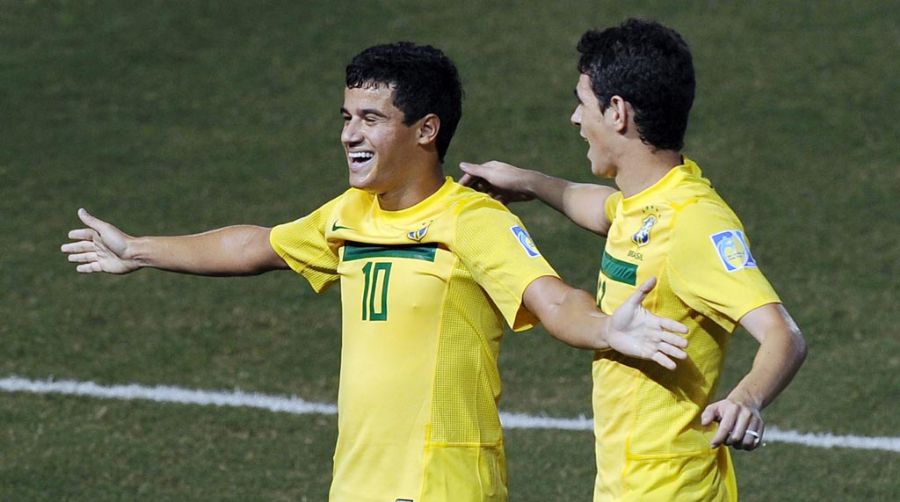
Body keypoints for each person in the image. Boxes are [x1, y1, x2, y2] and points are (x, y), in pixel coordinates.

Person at [62, 42, 689, 502]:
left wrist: (609, 330)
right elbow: (256, 246)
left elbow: (552, 300)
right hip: (357, 482)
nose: (348, 136)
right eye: (345, 118)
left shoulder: (470, 220)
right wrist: (138, 250)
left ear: (426, 130)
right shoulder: (351, 214)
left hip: (442, 483)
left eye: (370, 119)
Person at [459, 19, 807, 501]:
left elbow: (782, 335)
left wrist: (745, 399)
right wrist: (529, 182)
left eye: (583, 103)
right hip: (630, 484)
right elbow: (600, 209)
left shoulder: (693, 222)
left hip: (672, 490)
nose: (576, 119)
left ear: (617, 112)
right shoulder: (644, 203)